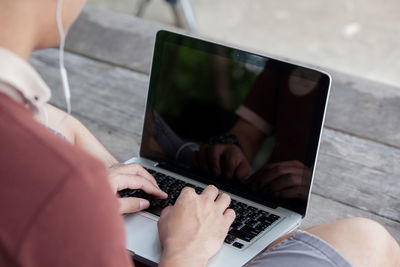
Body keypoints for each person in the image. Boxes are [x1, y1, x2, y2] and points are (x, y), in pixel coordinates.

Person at [0, 1, 399, 267]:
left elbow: (57, 122)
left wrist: (120, 174)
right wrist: (187, 248)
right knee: (369, 242)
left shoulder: (24, 131)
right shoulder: (58, 192)